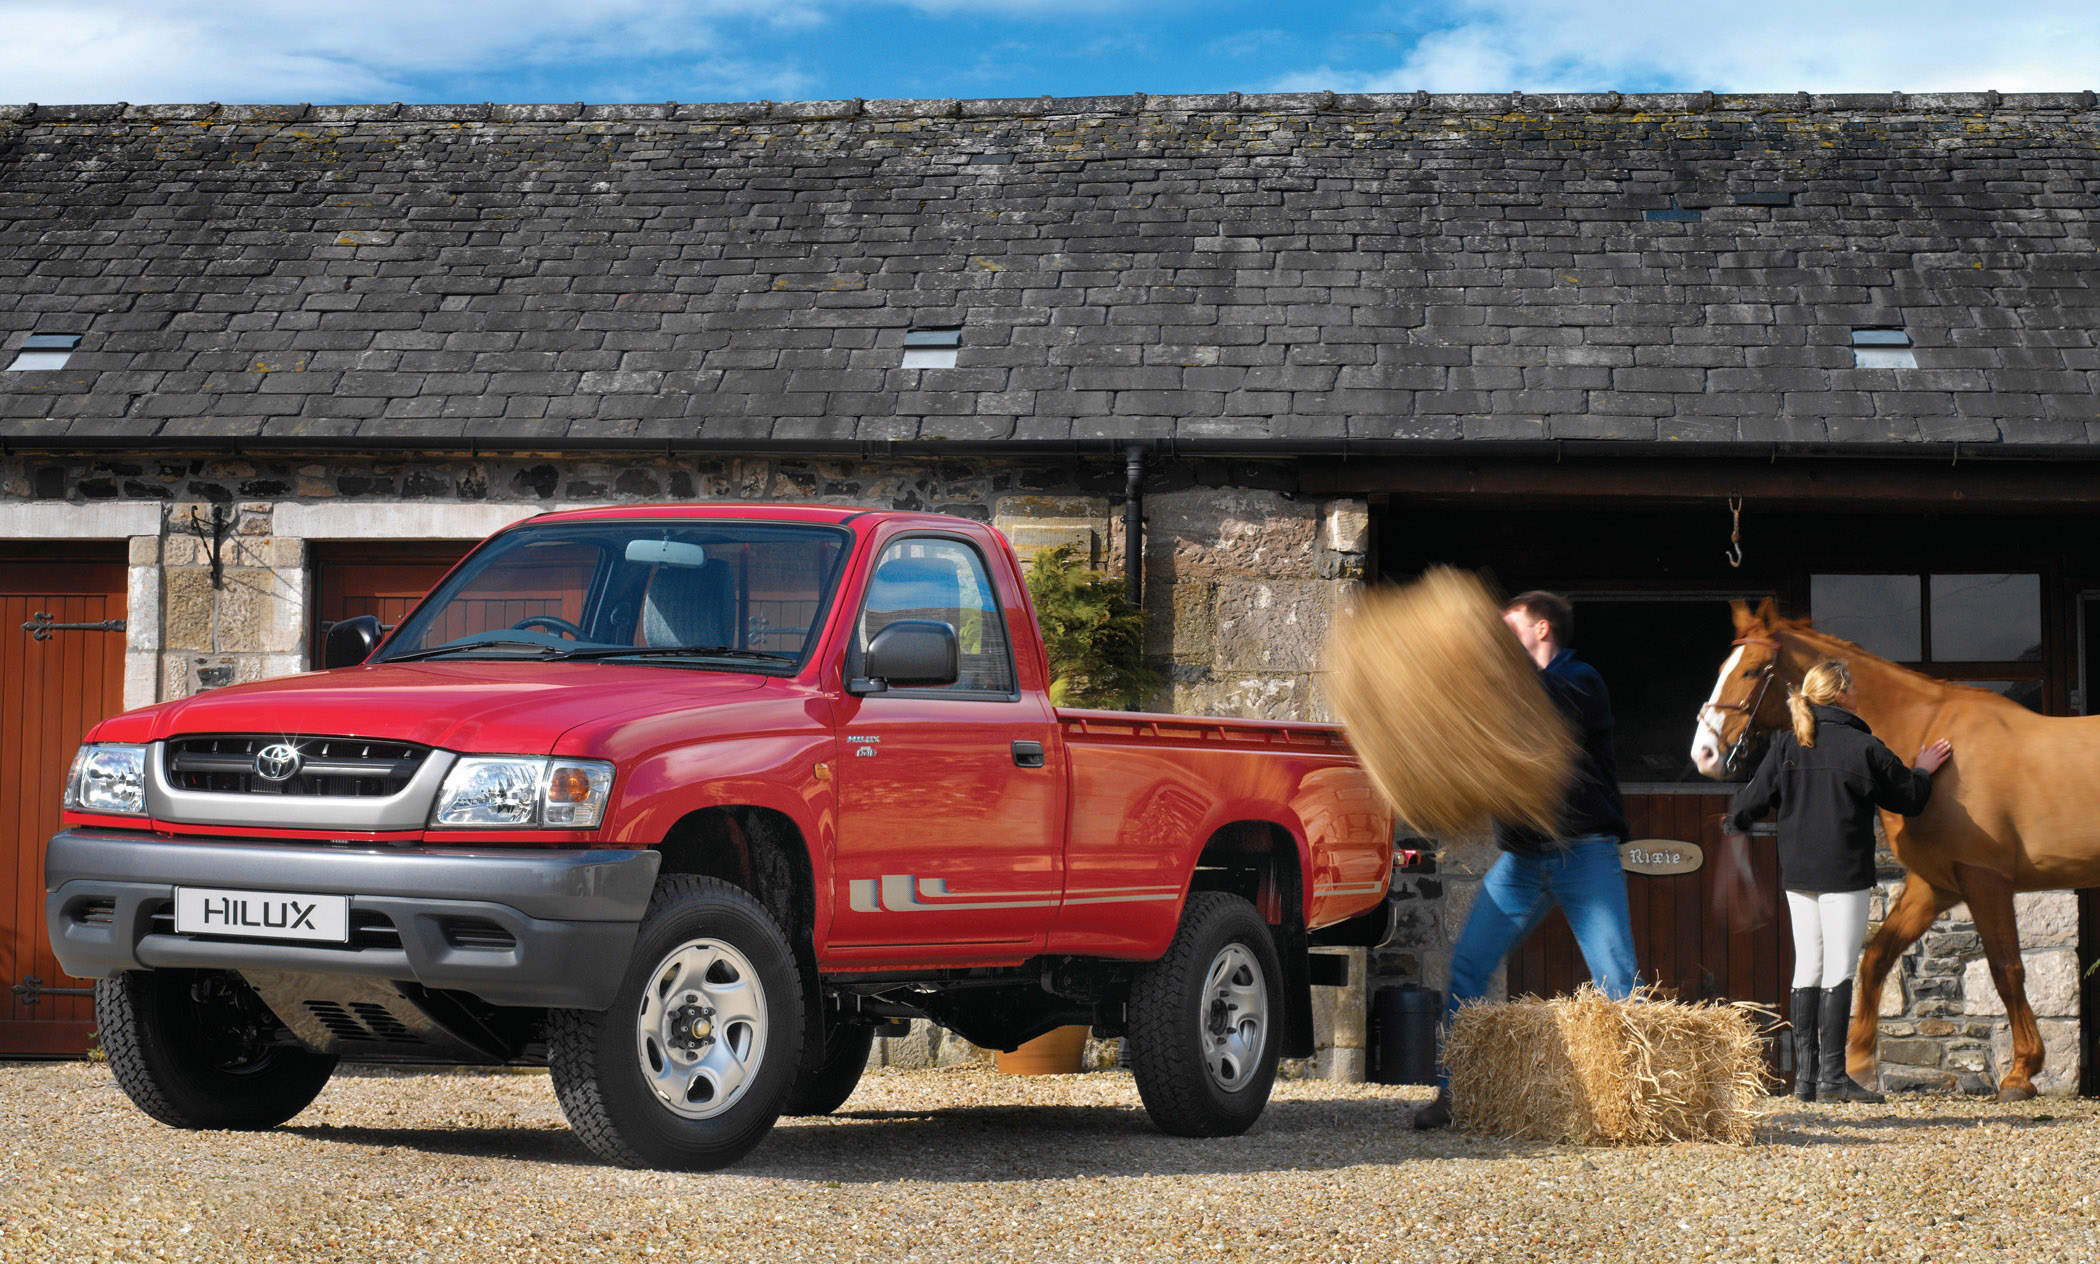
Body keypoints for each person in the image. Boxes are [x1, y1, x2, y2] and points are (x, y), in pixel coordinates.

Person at [1413, 590, 1638, 1130]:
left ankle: (1634, 1102)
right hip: (1521, 860)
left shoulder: (1580, 680)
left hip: (1583, 853)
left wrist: (1481, 667)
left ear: (1542, 629)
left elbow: (1541, 707)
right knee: (1467, 966)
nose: (1499, 643)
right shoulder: (1505, 695)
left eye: (1509, 630)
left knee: (1616, 979)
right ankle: (1454, 1093)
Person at [1723, 659, 1951, 1105]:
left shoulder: (1788, 744)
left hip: (1799, 875)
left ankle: (1805, 1083)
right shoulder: (1863, 747)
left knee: (1806, 968)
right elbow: (1910, 798)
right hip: (1844, 874)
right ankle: (1832, 1080)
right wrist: (1923, 768)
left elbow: (1746, 805)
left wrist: (1741, 820)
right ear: (1843, 694)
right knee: (1839, 971)